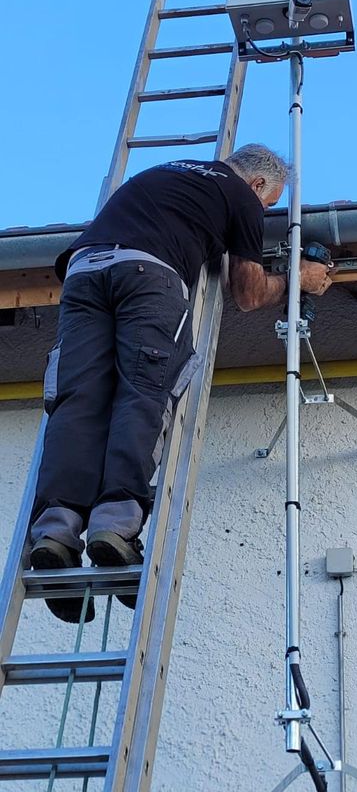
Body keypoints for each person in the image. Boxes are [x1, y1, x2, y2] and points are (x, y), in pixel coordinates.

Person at [30, 144, 332, 622]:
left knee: (78, 401)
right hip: (148, 277)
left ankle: (54, 532)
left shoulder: (168, 174)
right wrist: (299, 279)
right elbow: (248, 293)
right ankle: (115, 526)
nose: (264, 210)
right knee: (143, 394)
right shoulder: (239, 195)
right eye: (269, 202)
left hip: (83, 272)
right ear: (258, 183)